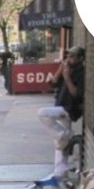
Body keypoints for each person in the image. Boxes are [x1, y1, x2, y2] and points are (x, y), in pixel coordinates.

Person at [38, 45, 85, 176]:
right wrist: (60, 70)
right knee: (60, 143)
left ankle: (65, 136)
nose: (69, 59)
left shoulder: (81, 73)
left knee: (42, 113)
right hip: (60, 104)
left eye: (72, 56)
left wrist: (68, 78)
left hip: (70, 109)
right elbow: (52, 83)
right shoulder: (67, 69)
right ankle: (60, 170)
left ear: (80, 59)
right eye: (68, 56)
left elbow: (76, 94)